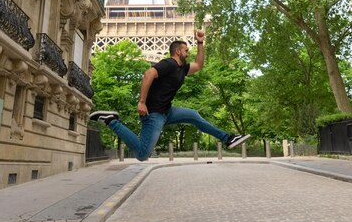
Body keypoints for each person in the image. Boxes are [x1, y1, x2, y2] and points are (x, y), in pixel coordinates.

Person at [90, 30, 250, 161]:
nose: (188, 53)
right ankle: (111, 121)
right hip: (153, 114)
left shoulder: (182, 68)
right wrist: (141, 102)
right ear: (177, 51)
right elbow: (148, 74)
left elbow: (199, 65)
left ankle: (228, 138)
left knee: (194, 116)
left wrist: (200, 42)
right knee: (142, 154)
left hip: (167, 112)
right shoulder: (169, 64)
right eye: (186, 51)